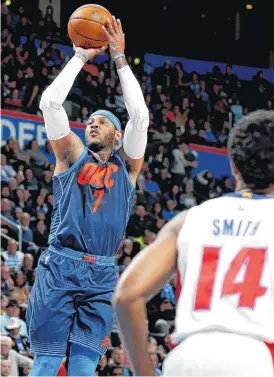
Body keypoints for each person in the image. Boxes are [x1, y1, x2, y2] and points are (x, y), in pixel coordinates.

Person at [27, 16, 148, 377]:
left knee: (83, 366)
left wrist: (120, 61)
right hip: (61, 266)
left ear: (117, 134)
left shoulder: (127, 168)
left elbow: (139, 117)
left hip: (103, 273)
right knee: (47, 362)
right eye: (90, 120)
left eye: (102, 121)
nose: (92, 123)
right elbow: (50, 103)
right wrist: (79, 57)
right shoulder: (70, 157)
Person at [113, 110, 274, 376]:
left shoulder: (189, 219)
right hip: (254, 356)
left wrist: (145, 373)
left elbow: (127, 295)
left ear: (234, 166)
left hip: (186, 356)